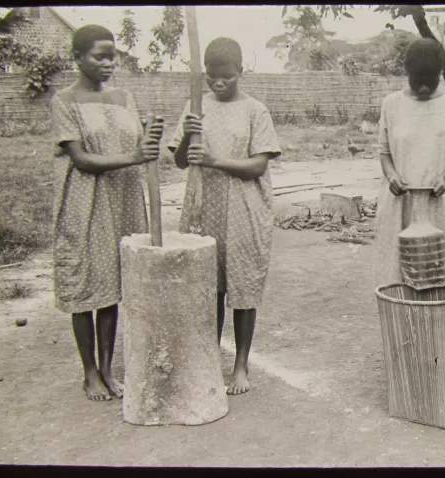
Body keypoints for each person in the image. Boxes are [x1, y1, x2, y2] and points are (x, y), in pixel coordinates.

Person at [51, 25, 163, 401]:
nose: (107, 63)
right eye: (99, 56)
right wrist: (134, 155)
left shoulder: (123, 97)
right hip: (87, 200)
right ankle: (89, 373)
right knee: (86, 284)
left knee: (113, 286)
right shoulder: (65, 101)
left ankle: (107, 368)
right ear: (78, 58)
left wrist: (149, 137)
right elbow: (81, 159)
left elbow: (137, 146)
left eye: (111, 55)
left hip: (124, 199)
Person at [168, 37, 281, 395]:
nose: (219, 83)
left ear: (240, 73)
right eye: (212, 77)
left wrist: (215, 160)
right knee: (208, 289)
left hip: (244, 208)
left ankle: (241, 366)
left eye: (227, 77)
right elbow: (181, 160)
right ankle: (209, 360)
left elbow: (258, 165)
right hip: (204, 208)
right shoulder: (195, 107)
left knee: (243, 288)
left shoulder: (254, 110)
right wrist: (188, 135)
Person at [373, 38, 445, 288]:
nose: (422, 88)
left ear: (440, 73)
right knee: (399, 274)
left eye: (428, 81)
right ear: (407, 73)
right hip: (400, 204)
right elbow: (384, 152)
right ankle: (405, 327)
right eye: (417, 81)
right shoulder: (392, 104)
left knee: (441, 271)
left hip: (440, 201)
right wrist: (392, 175)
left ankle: (438, 326)